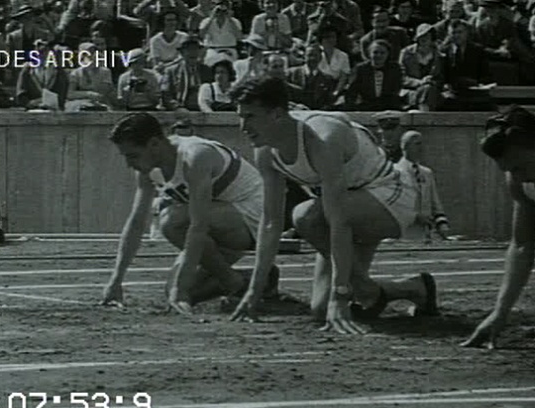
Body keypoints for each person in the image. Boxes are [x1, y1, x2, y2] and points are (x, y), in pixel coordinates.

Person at [228, 76, 438, 333]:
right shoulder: (265, 150)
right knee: (320, 309)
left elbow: (337, 221)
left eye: (250, 117)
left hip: (391, 197)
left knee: (305, 216)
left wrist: (341, 294)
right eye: (240, 116)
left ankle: (360, 290)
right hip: (346, 205)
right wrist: (254, 291)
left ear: (277, 114)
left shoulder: (324, 138)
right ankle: (414, 288)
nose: (242, 127)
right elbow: (271, 222)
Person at [101, 112, 278, 314]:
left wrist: (181, 290)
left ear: (154, 144)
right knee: (175, 291)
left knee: (172, 221)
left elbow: (198, 225)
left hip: (253, 218)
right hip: (217, 226)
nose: (129, 164)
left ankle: (233, 282)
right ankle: (249, 281)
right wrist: (116, 280)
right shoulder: (147, 168)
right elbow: (136, 222)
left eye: (132, 156)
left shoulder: (196, 156)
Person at [462, 106, 535, 349]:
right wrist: (500, 312)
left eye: (520, 167)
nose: (518, 176)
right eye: (510, 170)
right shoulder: (519, 178)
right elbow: (522, 244)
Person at [396, 131, 450, 242]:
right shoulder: (394, 172)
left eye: (422, 144)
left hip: (425, 235)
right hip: (403, 235)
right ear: (404, 147)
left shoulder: (427, 173)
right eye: (417, 144)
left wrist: (442, 224)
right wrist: (415, 216)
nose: (421, 148)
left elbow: (436, 205)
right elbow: (393, 204)